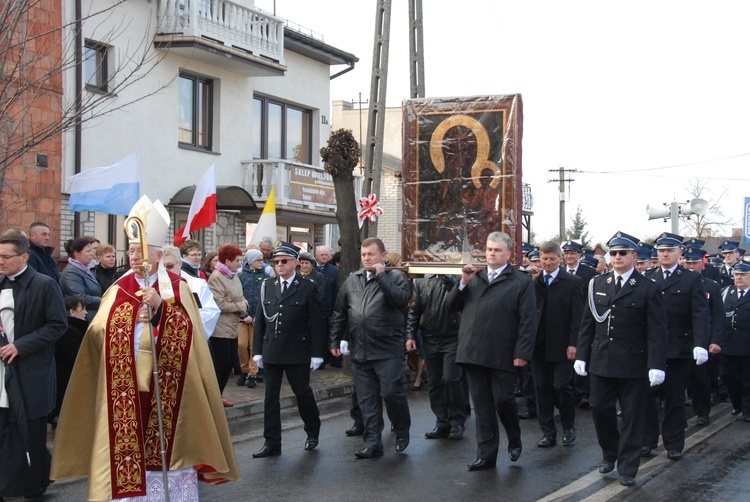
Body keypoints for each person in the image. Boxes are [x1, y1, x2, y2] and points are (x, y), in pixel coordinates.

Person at [51, 195, 239, 500]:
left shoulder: (177, 286)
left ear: (155, 254)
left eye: (139, 250)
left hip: (166, 384)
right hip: (124, 385)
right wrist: (125, 323)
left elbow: (192, 333)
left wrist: (160, 311)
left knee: (166, 448)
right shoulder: (118, 287)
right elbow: (98, 331)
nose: (133, 256)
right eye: (131, 250)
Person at [575, 232, 668, 487]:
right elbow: (587, 324)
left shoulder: (648, 288)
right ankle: (609, 453)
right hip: (601, 361)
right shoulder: (598, 284)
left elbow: (657, 330)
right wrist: (582, 355)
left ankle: (628, 466)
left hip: (633, 364)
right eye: (613, 253)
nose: (617, 257)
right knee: (601, 410)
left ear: (634, 257)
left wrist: (656, 364)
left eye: (622, 253)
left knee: (631, 417)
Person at [446, 231, 537, 471]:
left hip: (503, 353)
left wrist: (522, 353)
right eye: (488, 249)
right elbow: (450, 306)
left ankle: (514, 436)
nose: (491, 254)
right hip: (473, 352)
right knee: (482, 405)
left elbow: (528, 321)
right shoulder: (474, 278)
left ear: (508, 253)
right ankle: (486, 455)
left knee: (503, 399)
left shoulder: (520, 281)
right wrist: (463, 283)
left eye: (497, 250)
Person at [329, 237, 412, 459]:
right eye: (364, 255)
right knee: (367, 399)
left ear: (383, 256)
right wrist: (335, 340)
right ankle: (373, 442)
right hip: (361, 350)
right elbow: (339, 313)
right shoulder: (352, 280)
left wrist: (381, 275)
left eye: (371, 254)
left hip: (388, 349)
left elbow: (400, 300)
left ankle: (402, 430)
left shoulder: (396, 277)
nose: (366, 258)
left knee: (391, 392)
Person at [0, 229, 67, 499]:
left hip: (30, 371)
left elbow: (57, 325)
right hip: (2, 371)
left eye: (6, 256)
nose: (1, 261)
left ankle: (33, 485)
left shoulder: (43, 284)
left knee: (28, 431)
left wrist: (21, 345)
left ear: (24, 256)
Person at [251, 243, 327, 457]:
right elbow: (260, 321)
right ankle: (272, 442)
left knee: (302, 393)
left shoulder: (307, 286)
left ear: (295, 263)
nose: (280, 265)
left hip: (297, 350)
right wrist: (257, 350)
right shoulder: (267, 285)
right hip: (272, 349)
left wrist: (317, 354)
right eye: (276, 262)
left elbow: (317, 322)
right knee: (270, 398)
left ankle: (312, 430)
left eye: (284, 261)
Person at [641, 232, 709, 460]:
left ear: (680, 253)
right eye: (661, 251)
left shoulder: (691, 279)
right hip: (650, 349)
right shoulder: (648, 277)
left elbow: (700, 314)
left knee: (675, 399)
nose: (664, 254)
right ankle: (647, 441)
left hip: (678, 349)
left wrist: (700, 344)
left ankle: (673, 443)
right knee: (646, 398)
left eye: (669, 250)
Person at [532, 241, 584, 448]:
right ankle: (548, 431)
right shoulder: (534, 282)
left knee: (562, 387)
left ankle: (568, 427)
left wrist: (574, 343)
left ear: (560, 259)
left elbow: (577, 316)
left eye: (552, 259)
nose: (548, 263)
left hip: (562, 345)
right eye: (544, 259)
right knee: (541, 389)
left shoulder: (572, 282)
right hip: (538, 346)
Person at [406, 273, 466, 440]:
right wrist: (410, 335)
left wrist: (452, 281)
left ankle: (457, 422)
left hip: (452, 337)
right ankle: (442, 421)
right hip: (430, 337)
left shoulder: (455, 277)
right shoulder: (421, 281)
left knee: (451, 379)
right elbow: (415, 310)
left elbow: (460, 301)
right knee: (434, 382)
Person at [682, 245, 726, 426]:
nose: (691, 267)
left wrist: (715, 340)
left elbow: (717, 316)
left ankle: (702, 412)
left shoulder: (711, 286)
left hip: (701, 340)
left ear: (703, 265)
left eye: (695, 263)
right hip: (679, 340)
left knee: (701, 380)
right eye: (688, 263)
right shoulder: (676, 282)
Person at [207, 244, 248, 406]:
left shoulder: (233, 275)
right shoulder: (217, 277)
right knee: (222, 364)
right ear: (228, 261)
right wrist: (239, 306)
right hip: (220, 328)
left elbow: (241, 297)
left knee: (230, 362)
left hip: (233, 326)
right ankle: (214, 396)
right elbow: (219, 304)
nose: (239, 263)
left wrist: (241, 304)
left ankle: (219, 395)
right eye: (237, 260)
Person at [161, 245, 220, 339]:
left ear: (180, 264)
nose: (165, 271)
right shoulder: (153, 284)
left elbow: (211, 312)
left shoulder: (197, 285)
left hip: (189, 338)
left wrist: (182, 318)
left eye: (170, 266)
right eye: (161, 267)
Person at [719, 261, 750, 420]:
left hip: (747, 345)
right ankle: (737, 404)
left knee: (747, 379)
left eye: (743, 275)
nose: (739, 278)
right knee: (729, 377)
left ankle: (747, 409)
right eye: (737, 274)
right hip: (728, 344)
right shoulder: (725, 293)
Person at [237, 248, 270, 388]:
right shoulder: (240, 275)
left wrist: (259, 316)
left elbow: (267, 297)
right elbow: (237, 295)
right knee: (241, 345)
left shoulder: (266, 275)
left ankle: (252, 374)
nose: (261, 263)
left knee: (254, 346)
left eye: (262, 260)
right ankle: (244, 370)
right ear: (251, 261)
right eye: (258, 260)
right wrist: (244, 315)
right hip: (243, 318)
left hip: (257, 318)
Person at [59, 237, 101, 321]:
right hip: (82, 316)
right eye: (88, 251)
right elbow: (80, 297)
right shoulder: (71, 273)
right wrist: (102, 300)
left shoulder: (85, 269)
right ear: (77, 254)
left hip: (92, 312)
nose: (91, 254)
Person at [315, 245, 340, 368]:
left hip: (328, 308)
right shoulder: (312, 269)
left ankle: (326, 358)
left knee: (327, 335)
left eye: (326, 255)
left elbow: (336, 291)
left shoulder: (334, 271)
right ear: (316, 256)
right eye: (322, 255)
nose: (324, 257)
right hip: (315, 309)